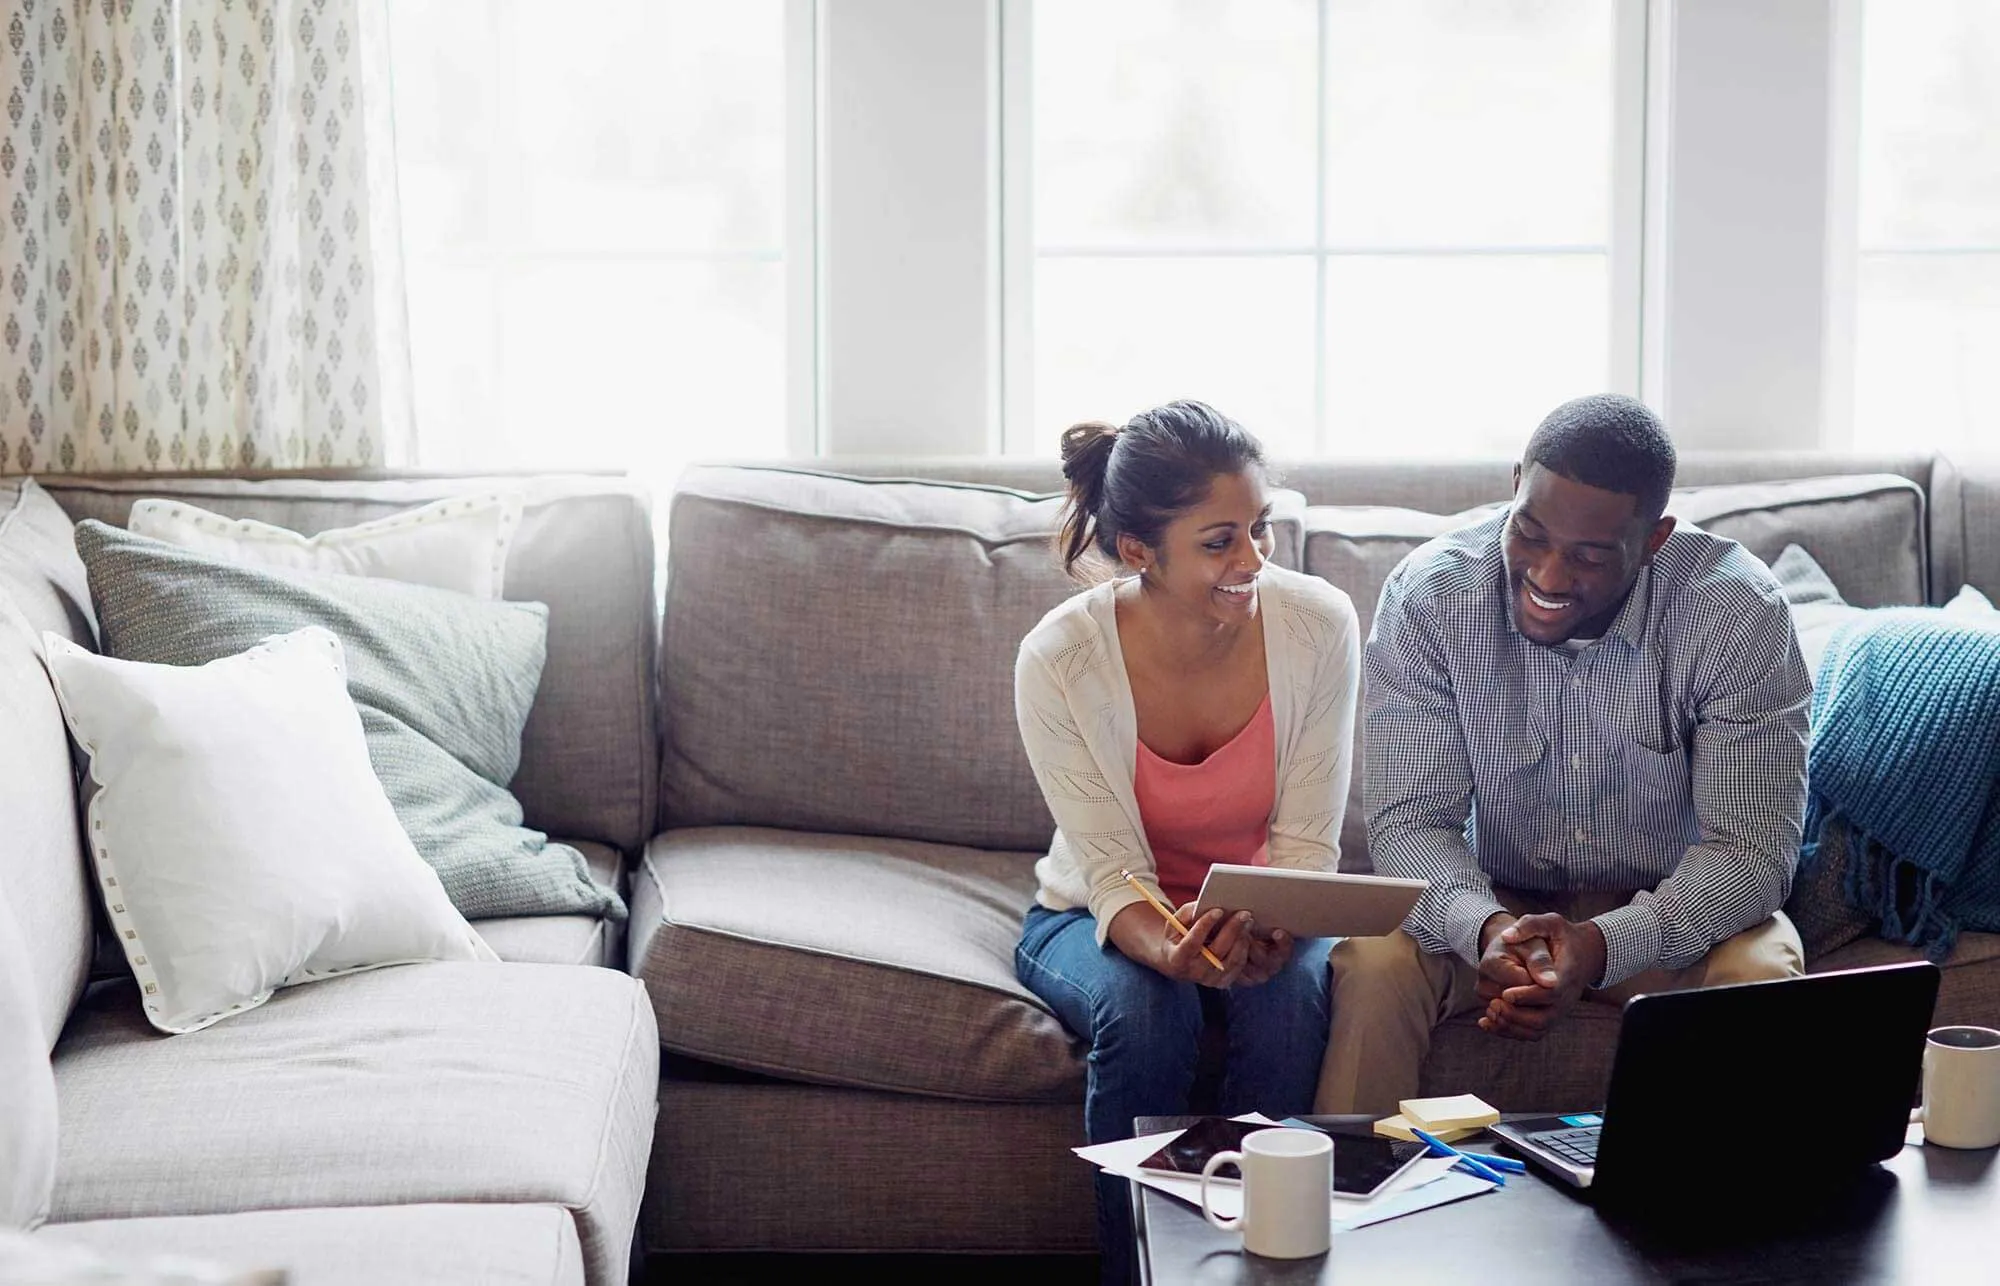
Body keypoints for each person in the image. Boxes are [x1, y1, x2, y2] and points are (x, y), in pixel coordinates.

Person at [1315, 393, 1811, 1115]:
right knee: (1374, 958)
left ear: (1654, 539)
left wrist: (1602, 946)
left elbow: (1752, 854)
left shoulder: (1736, 615)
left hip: (1665, 915)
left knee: (1763, 969)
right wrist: (1485, 930)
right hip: (1497, 903)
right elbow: (1409, 825)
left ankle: (1710, 1219)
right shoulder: (1431, 596)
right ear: (1516, 485)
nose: (1548, 576)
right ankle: (1357, 1208)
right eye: (1532, 534)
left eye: (1588, 556)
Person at [1013, 400, 1360, 1284]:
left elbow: (1306, 843)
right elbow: (1110, 872)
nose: (1252, 561)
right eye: (1218, 542)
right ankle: (1142, 1270)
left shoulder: (1320, 625)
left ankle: (1267, 1264)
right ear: (1138, 551)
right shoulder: (1060, 657)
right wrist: (1173, 947)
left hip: (1265, 904)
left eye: (1260, 530)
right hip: (1099, 913)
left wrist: (1276, 923)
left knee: (1290, 997)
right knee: (1146, 1010)